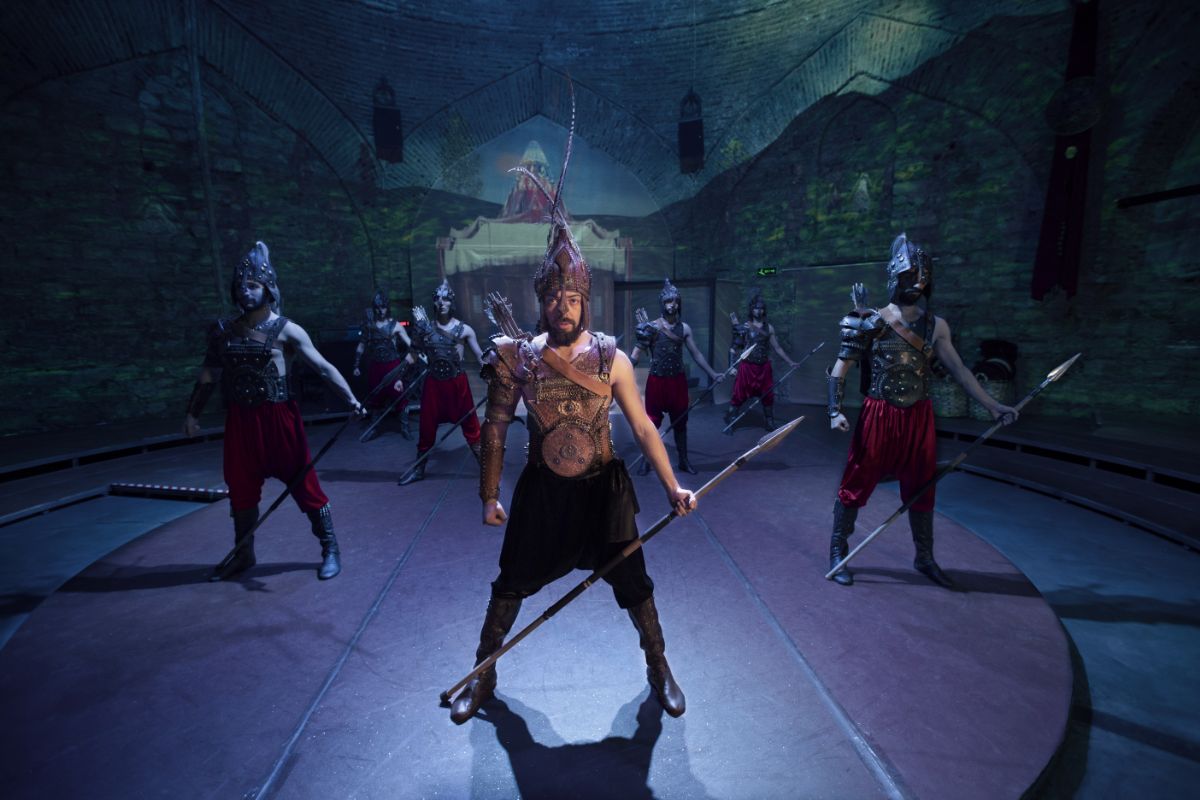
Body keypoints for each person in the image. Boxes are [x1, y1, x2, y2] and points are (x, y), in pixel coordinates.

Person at [449, 155, 697, 725]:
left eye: (573, 297)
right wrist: (489, 495)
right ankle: (483, 672)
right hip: (544, 493)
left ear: (586, 300)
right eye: (554, 297)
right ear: (541, 299)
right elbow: (494, 428)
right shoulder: (517, 357)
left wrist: (672, 486)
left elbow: (642, 427)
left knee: (636, 585)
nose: (563, 306)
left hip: (604, 493)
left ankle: (659, 665)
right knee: (509, 584)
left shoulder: (612, 357)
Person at [825, 233, 1018, 589]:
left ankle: (924, 557)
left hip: (919, 416)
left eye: (921, 278)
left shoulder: (936, 326)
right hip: (879, 413)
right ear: (894, 276)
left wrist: (993, 406)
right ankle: (839, 551)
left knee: (922, 485)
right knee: (857, 480)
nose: (915, 284)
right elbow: (840, 369)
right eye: (908, 276)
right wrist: (834, 410)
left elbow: (960, 371)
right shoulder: (869, 321)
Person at [183, 241, 368, 581]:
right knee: (241, 488)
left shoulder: (287, 330)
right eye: (241, 285)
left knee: (305, 485)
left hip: (279, 420)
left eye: (253, 285)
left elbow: (323, 367)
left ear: (268, 288)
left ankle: (330, 548)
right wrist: (192, 414)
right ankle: (244, 554)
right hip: (241, 422)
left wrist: (351, 400)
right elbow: (208, 375)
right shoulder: (224, 332)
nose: (246, 291)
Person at [629, 278, 722, 475]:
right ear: (662, 303)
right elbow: (635, 355)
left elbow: (696, 354)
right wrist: (621, 374)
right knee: (651, 423)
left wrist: (713, 374)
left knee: (680, 422)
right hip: (657, 381)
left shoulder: (684, 328)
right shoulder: (651, 328)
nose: (672, 305)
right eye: (668, 301)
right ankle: (647, 460)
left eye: (675, 301)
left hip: (677, 382)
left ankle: (683, 460)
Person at [397, 279, 484, 485]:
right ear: (434, 302)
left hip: (457, 384)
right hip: (433, 384)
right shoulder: (424, 329)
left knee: (471, 425)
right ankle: (419, 469)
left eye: (446, 299)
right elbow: (412, 355)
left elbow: (480, 357)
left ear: (452, 302)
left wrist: (494, 372)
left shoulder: (464, 330)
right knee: (427, 426)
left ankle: (486, 467)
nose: (442, 302)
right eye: (438, 299)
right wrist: (400, 377)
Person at [724, 293, 798, 432]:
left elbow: (777, 348)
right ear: (751, 310)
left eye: (761, 308)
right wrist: (731, 367)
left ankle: (770, 422)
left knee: (767, 394)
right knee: (739, 394)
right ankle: (731, 422)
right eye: (756, 308)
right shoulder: (745, 327)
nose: (759, 311)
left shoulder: (769, 328)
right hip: (747, 367)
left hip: (764, 367)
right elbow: (733, 349)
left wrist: (790, 362)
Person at [352, 288, 413, 440]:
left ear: (387, 307)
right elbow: (361, 345)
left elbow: (410, 344)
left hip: (393, 365)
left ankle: (405, 427)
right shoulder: (369, 327)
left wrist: (416, 351)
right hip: (376, 366)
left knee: (400, 396)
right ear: (374, 308)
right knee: (375, 397)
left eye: (383, 307)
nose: (381, 311)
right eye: (378, 308)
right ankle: (374, 428)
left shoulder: (395, 326)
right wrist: (356, 364)